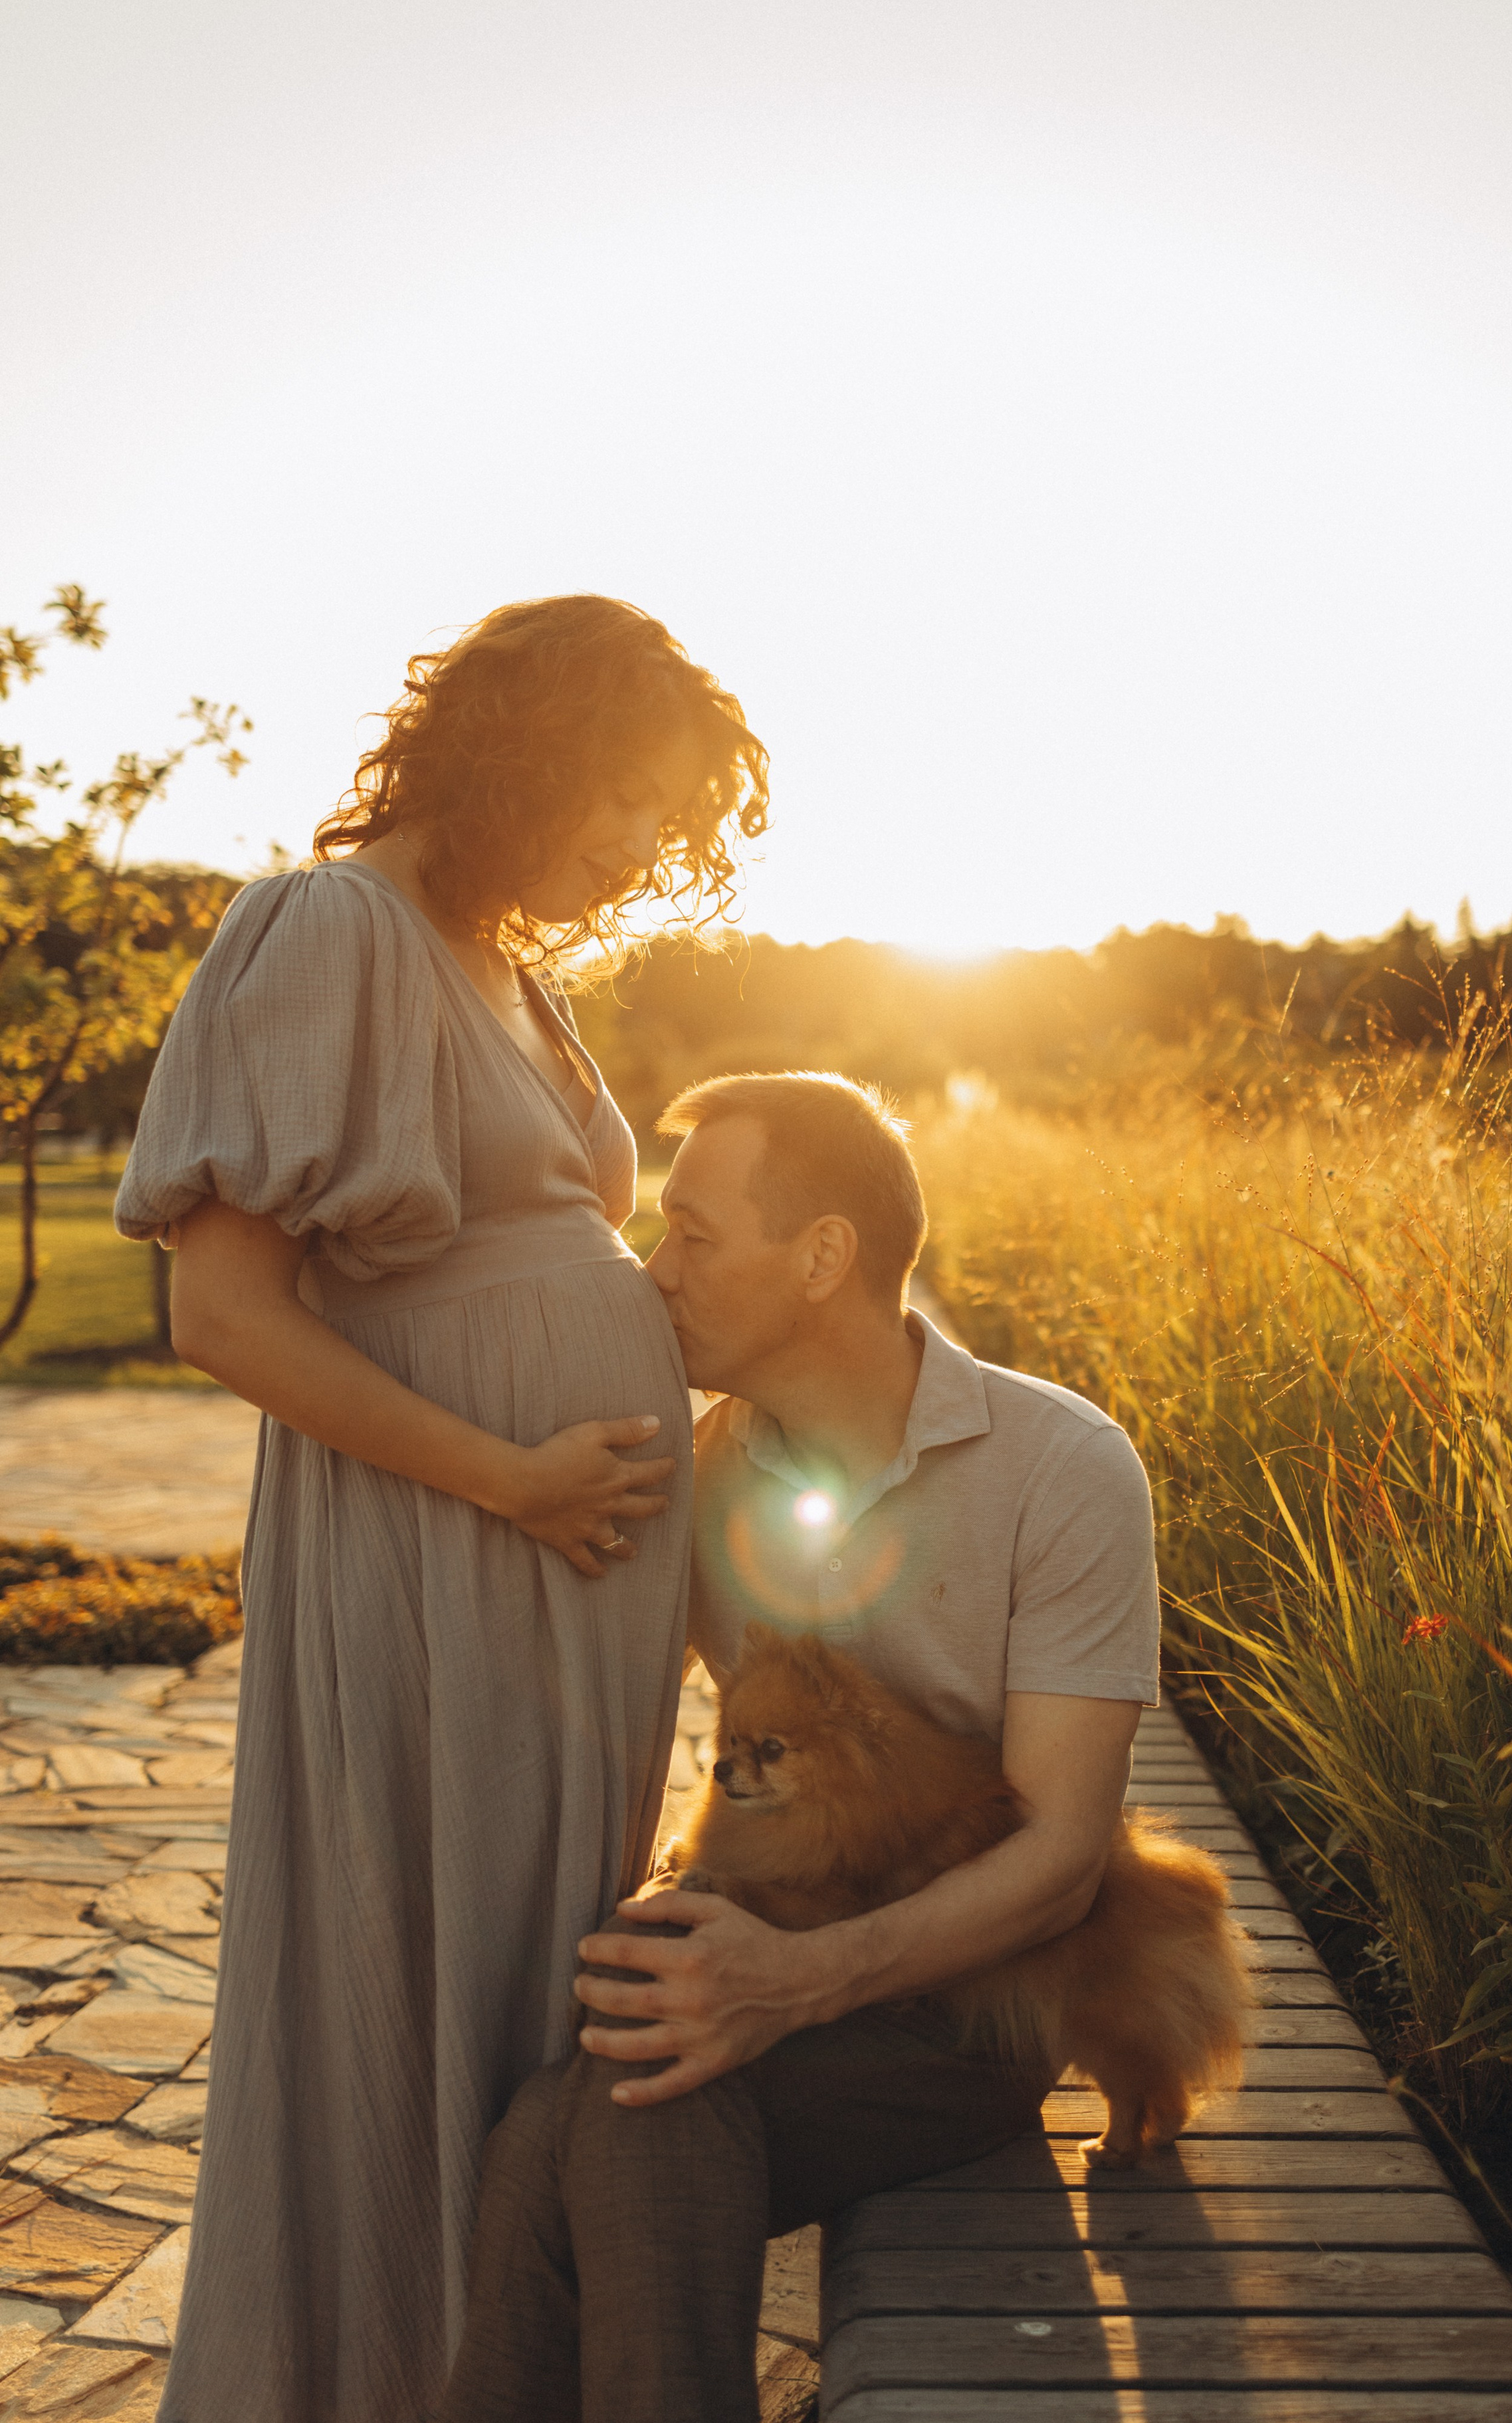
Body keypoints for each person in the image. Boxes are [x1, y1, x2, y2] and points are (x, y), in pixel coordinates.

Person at [112, 597, 768, 2423]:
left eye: (665, 817)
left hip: (561, 1579)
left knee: (522, 1990)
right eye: (622, 792)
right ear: (522, 745)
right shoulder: (330, 927)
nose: (638, 844)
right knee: (416, 1979)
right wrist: (513, 1475)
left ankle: (500, 2374)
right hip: (443, 1552)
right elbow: (222, 1312)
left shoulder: (508, 969)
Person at [439, 1071, 1160, 2423]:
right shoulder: (695, 1470)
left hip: (972, 2012)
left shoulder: (1062, 1468)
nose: (657, 1271)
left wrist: (796, 1980)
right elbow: (565, 1690)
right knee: (601, 2109)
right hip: (769, 1948)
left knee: (597, 2111)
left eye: (695, 1234)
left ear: (823, 1255)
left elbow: (1065, 1856)